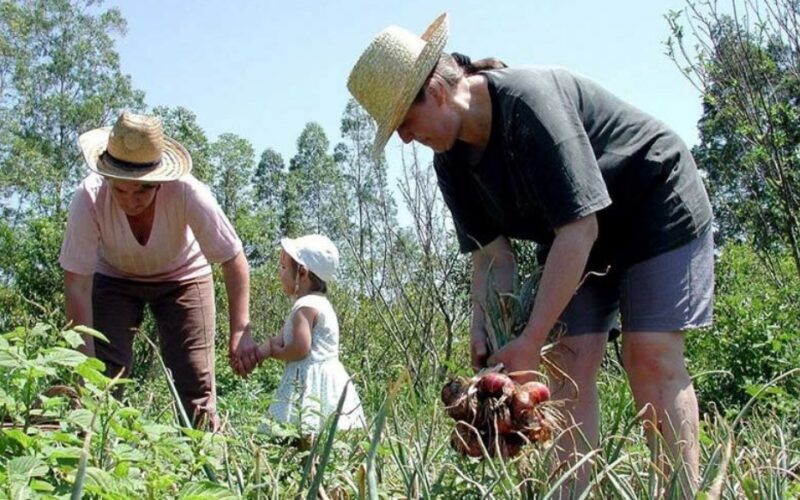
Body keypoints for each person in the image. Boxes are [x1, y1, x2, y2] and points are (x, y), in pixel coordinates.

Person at [347, 13, 713, 497]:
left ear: (435, 90)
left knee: (649, 355)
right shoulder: (452, 162)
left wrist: (530, 337)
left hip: (652, 206)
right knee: (564, 368)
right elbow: (491, 258)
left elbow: (579, 228)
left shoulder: (527, 103)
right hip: (578, 235)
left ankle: (683, 492)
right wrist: (488, 333)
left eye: (404, 122)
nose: (405, 139)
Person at [60, 111, 261, 429]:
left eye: (142, 190)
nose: (130, 200)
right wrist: (84, 360)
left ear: (159, 181)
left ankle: (206, 465)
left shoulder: (187, 192)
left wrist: (240, 331)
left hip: (183, 276)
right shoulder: (89, 196)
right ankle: (99, 463)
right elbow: (77, 283)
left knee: (195, 382)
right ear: (107, 177)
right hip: (113, 278)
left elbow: (233, 258)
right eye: (121, 189)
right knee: (101, 378)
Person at [251, 234, 365, 435]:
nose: (280, 272)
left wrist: (276, 353)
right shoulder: (318, 302)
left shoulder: (305, 307)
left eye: (284, 267)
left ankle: (305, 461)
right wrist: (259, 353)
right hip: (326, 379)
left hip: (308, 380)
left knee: (301, 429)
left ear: (302, 273)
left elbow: (300, 348)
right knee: (321, 433)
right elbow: (279, 339)